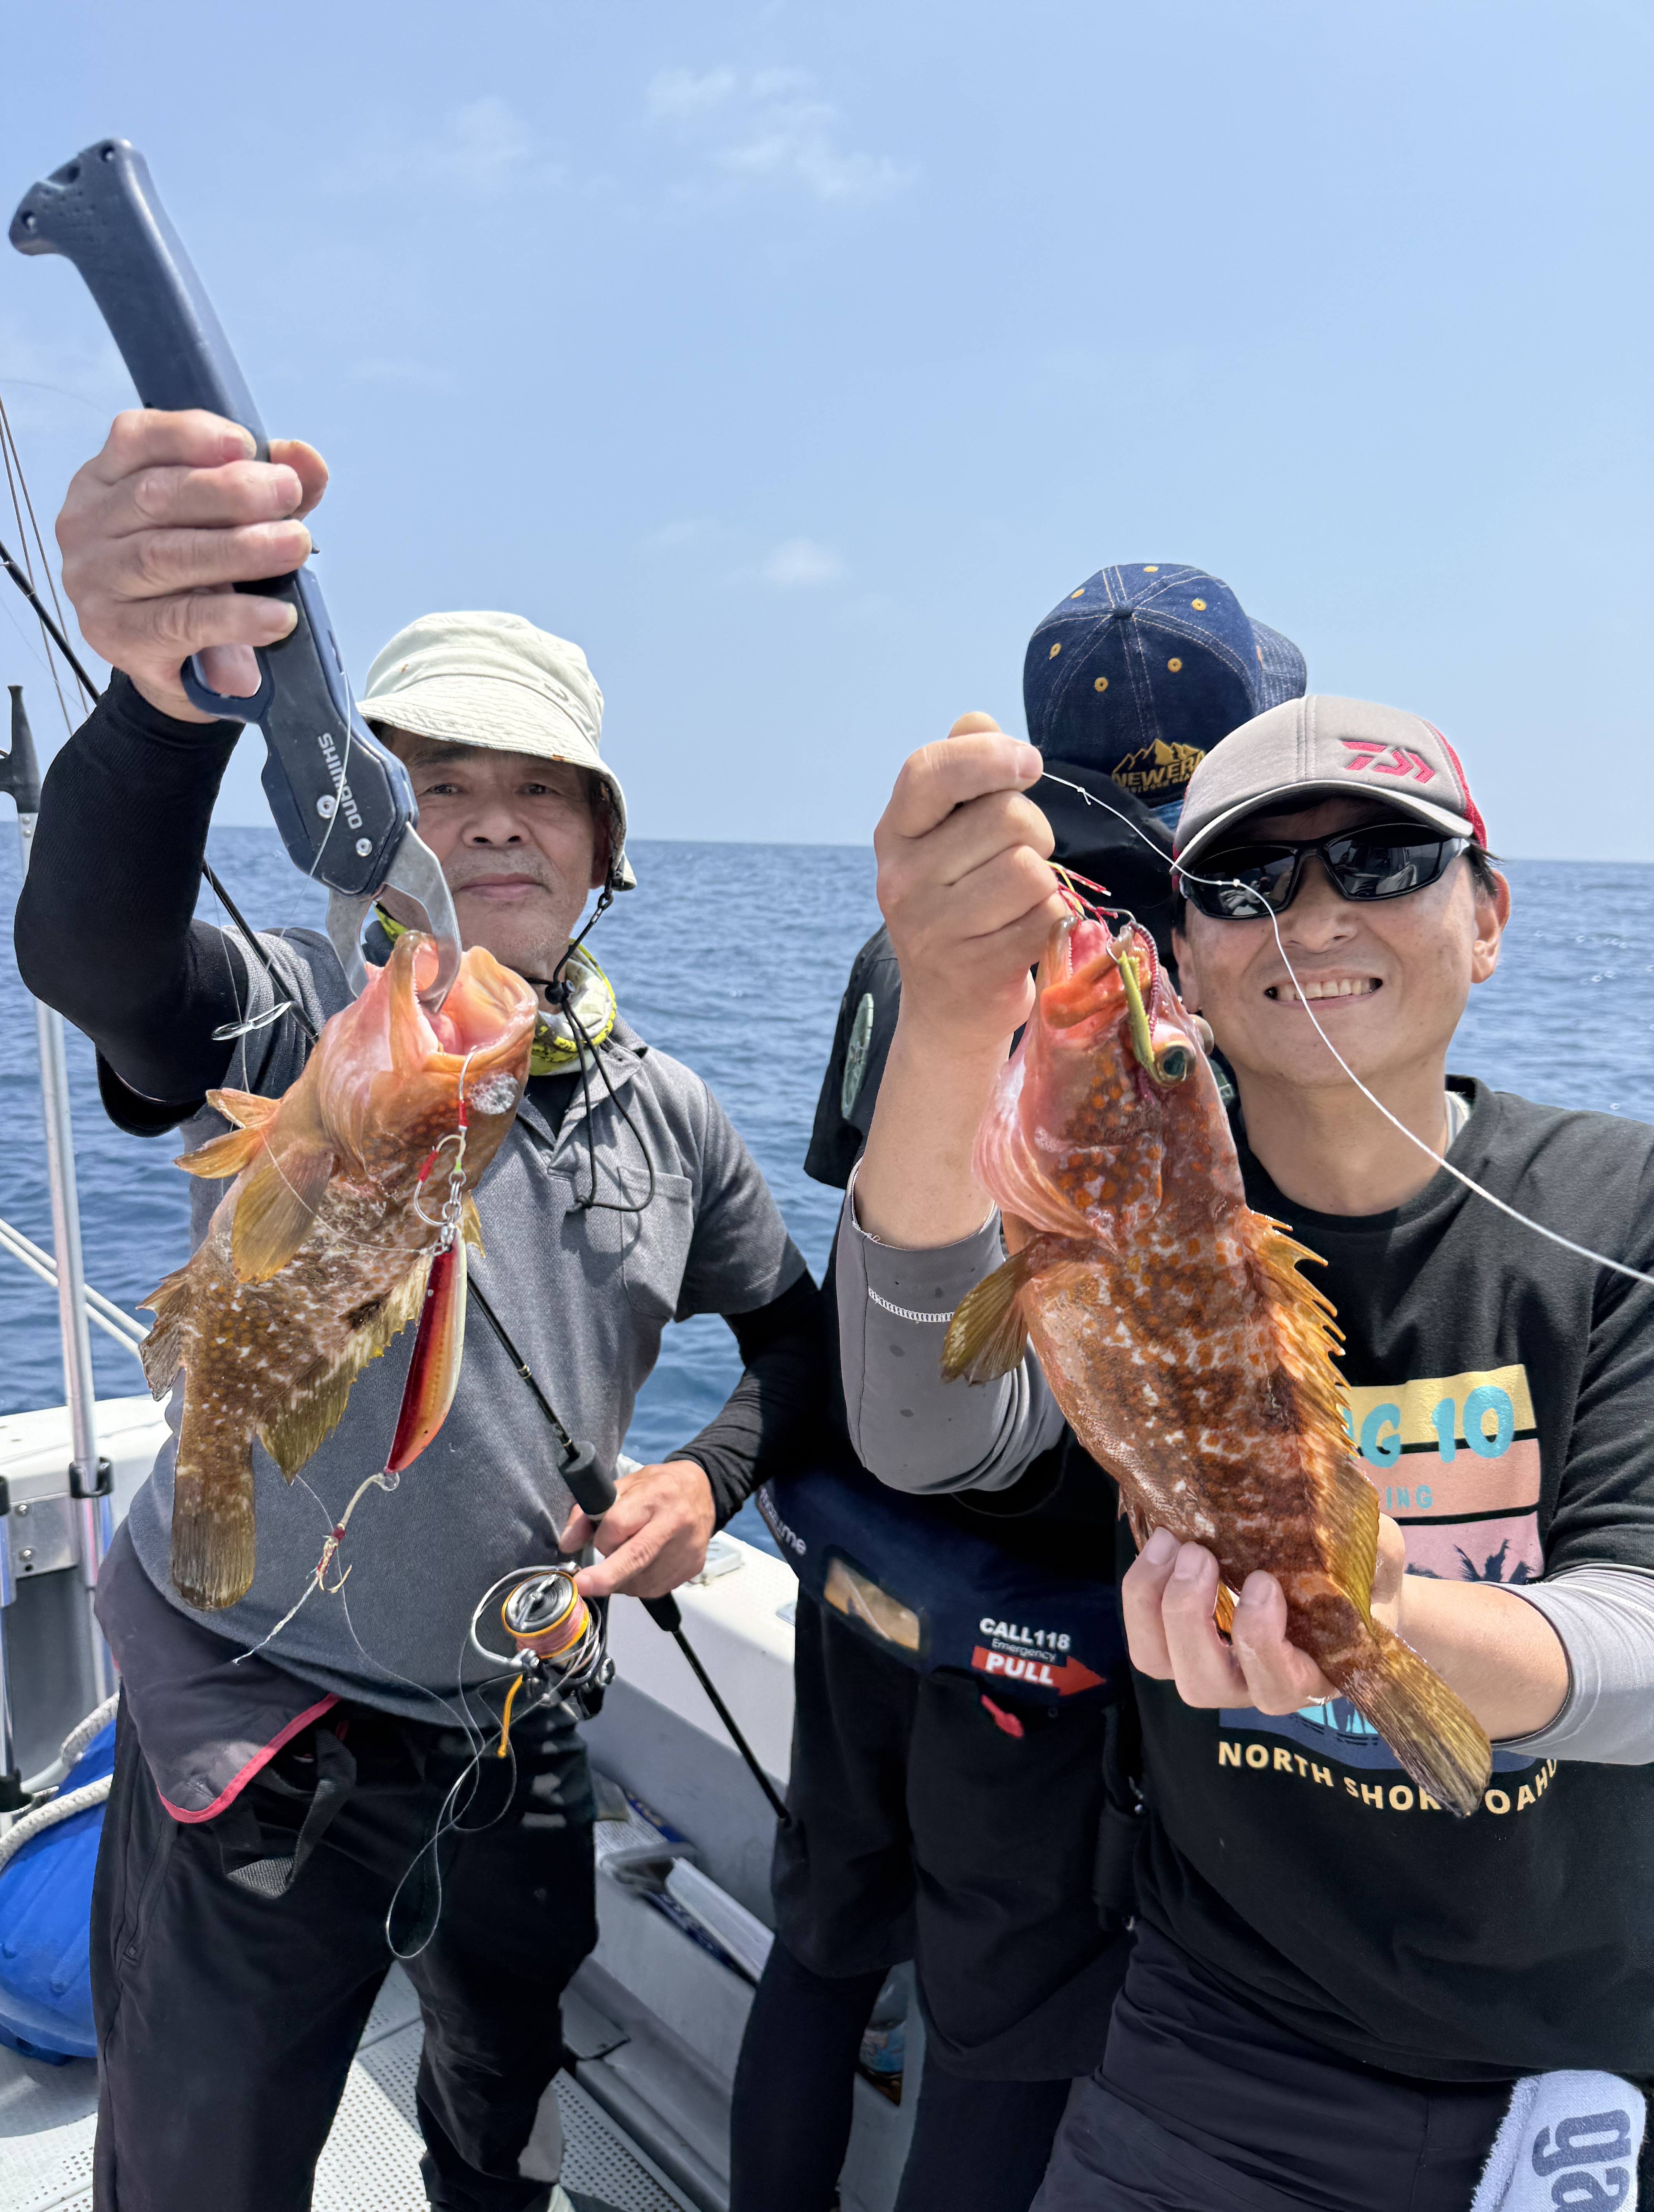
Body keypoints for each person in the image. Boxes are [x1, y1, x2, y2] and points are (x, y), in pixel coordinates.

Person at [15, 407, 823, 2212]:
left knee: (503, 2105)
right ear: (365, 828)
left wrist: (705, 1480)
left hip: (520, 1718)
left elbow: (800, 1343)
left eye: (543, 789)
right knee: (204, 2166)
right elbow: (95, 956)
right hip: (259, 1734)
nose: (493, 821)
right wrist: (163, 709)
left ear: (604, 846)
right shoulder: (304, 1018)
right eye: (438, 785)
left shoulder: (674, 1117)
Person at [839, 688, 1654, 2210]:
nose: (1316, 910)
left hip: (1585, 2064)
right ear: (1194, 958)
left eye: (1387, 860)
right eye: (1245, 880)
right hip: (1213, 2047)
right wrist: (947, 1017)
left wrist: (1377, 1624)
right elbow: (923, 1432)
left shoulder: (1624, 1211)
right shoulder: (1115, 1233)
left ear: (1489, 918)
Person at [729, 567, 1307, 2212]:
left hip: (863, 1565)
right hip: (1050, 1623)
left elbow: (864, 1237)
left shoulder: (915, 948)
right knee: (1003, 2030)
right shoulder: (1217, 972)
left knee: (824, 1946)